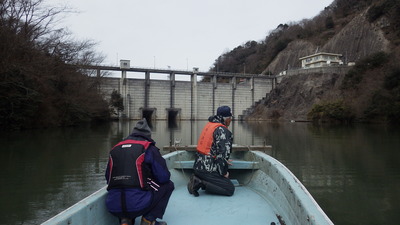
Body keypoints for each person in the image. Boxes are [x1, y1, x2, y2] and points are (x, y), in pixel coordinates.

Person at [105, 118, 174, 225]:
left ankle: (125, 220)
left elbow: (108, 178)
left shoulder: (115, 149)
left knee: (122, 187)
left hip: (113, 207)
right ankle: (148, 219)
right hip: (137, 205)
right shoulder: (148, 148)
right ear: (148, 136)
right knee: (168, 185)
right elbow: (163, 177)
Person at [187, 105, 235, 197]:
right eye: (230, 118)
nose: (231, 120)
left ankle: (198, 178)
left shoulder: (210, 125)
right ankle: (198, 182)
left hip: (198, 166)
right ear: (226, 119)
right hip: (207, 170)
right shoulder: (223, 131)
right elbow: (222, 155)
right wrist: (224, 173)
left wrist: (223, 160)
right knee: (229, 189)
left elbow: (213, 149)